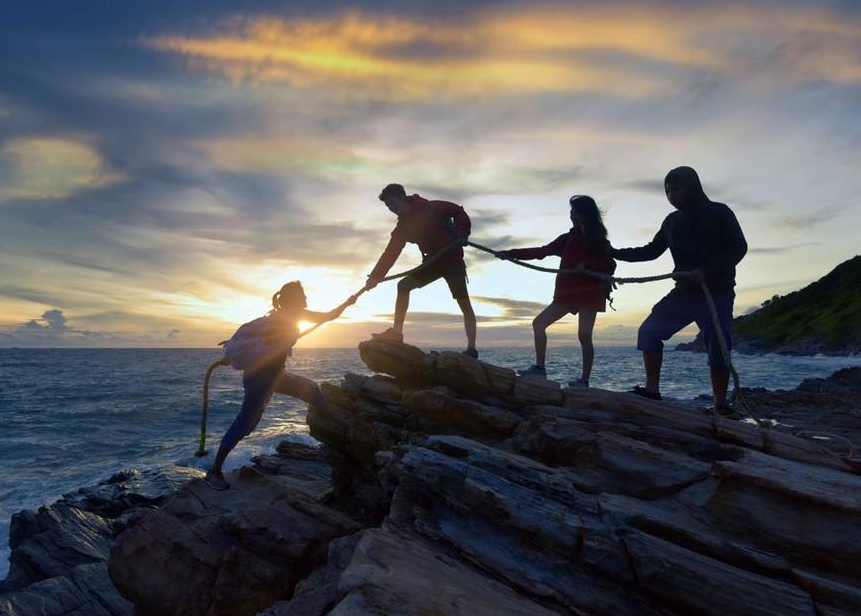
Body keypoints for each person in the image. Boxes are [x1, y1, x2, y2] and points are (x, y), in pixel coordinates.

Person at [611, 166, 748, 410]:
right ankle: (652, 391)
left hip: (716, 293)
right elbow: (651, 251)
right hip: (683, 293)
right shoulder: (671, 222)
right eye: (667, 191)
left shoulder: (719, 212)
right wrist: (613, 253)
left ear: (691, 187)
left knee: (719, 345)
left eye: (676, 189)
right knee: (649, 332)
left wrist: (706, 271)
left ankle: (719, 404)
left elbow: (738, 247)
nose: (671, 195)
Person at [205, 281, 354, 490]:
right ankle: (214, 472)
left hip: (275, 376)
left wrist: (348, 303)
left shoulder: (290, 317)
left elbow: (327, 316)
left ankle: (344, 429)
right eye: (303, 296)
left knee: (312, 390)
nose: (306, 300)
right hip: (259, 380)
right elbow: (261, 346)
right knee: (244, 424)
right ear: (294, 300)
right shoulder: (280, 321)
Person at [498, 195, 616, 387]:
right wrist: (510, 254)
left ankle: (584, 380)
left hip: (590, 292)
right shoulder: (567, 239)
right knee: (539, 324)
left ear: (581, 214)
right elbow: (541, 252)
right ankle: (540, 369)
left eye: (573, 211)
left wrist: (587, 265)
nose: (570, 215)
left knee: (584, 335)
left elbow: (610, 265)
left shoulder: (599, 240)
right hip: (567, 293)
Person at [366, 183, 478, 357]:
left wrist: (463, 234)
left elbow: (458, 211)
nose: (392, 209)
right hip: (432, 263)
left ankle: (471, 349)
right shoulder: (402, 227)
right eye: (388, 206)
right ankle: (396, 333)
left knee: (464, 305)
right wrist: (375, 277)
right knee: (403, 286)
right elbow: (391, 252)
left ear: (403, 197)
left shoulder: (432, 207)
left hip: (452, 261)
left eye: (393, 203)